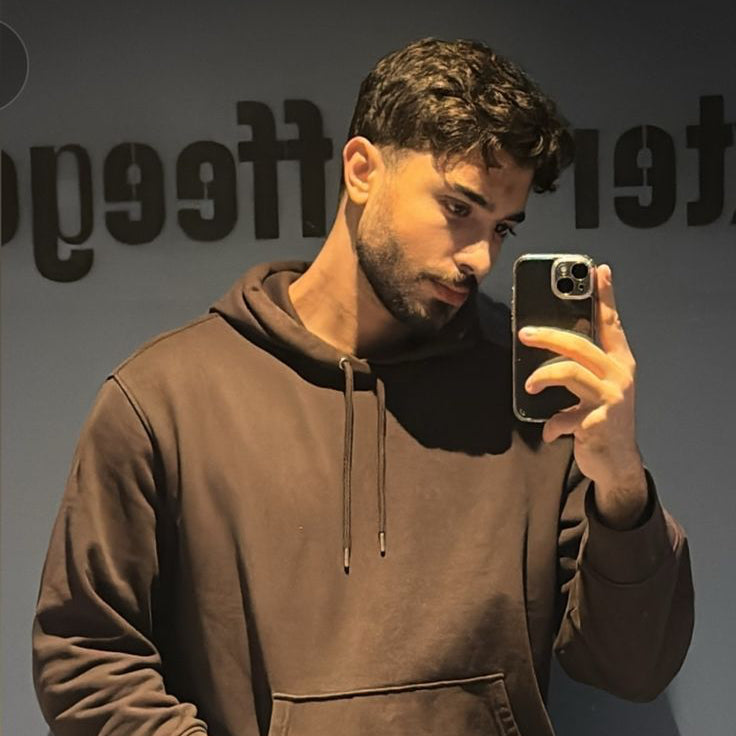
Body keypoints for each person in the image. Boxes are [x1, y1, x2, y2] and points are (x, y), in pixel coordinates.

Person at [33, 38, 694, 736]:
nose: (479, 257)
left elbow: (635, 666)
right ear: (361, 170)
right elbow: (86, 661)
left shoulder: (534, 394)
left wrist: (621, 483)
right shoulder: (165, 399)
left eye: (501, 227)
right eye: (458, 209)